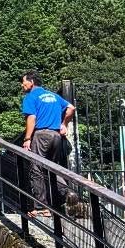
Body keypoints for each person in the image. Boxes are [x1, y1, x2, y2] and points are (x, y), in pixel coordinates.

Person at [19, 73, 75, 214]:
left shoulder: (30, 97)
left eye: (24, 82)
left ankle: (41, 207)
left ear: (31, 82)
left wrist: (27, 139)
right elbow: (71, 108)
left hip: (41, 135)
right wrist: (64, 124)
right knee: (51, 168)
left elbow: (31, 118)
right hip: (56, 136)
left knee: (36, 169)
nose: (22, 85)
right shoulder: (53, 96)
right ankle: (69, 193)